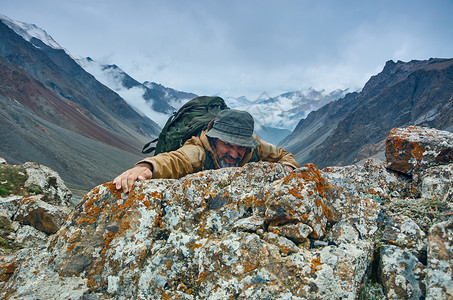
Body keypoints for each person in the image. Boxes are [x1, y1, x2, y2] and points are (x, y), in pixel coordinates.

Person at [114, 109, 299, 193]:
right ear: (213, 138)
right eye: (228, 145)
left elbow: (284, 155)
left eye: (240, 146)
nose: (234, 154)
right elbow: (176, 160)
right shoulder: (198, 149)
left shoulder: (255, 146)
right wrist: (146, 166)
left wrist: (287, 169)